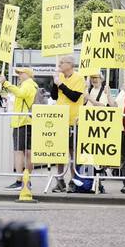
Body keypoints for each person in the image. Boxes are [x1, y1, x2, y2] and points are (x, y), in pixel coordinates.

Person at [49, 57, 85, 192]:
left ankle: (73, 180)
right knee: (59, 151)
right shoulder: (60, 77)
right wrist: (55, 82)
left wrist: (61, 85)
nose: (58, 65)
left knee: (72, 152)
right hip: (60, 120)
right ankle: (60, 180)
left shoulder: (79, 78)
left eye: (61, 63)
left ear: (69, 65)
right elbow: (54, 96)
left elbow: (74, 96)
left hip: (73, 120)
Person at [0, 68, 38, 189]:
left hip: (22, 121)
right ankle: (26, 180)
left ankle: (20, 180)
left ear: (28, 74)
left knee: (20, 152)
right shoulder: (32, 85)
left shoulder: (28, 84)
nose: (19, 75)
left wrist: (6, 83)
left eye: (21, 73)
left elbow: (21, 94)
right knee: (27, 152)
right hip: (27, 121)